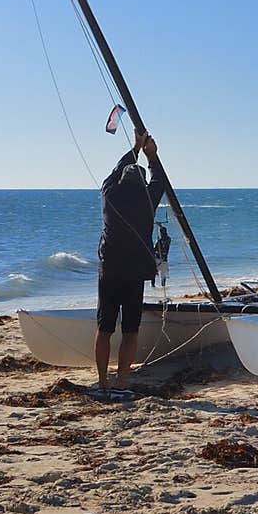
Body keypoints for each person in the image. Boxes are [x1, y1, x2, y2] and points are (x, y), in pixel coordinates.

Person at [94, 128, 164, 398]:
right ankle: (122, 384)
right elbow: (159, 179)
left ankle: (103, 384)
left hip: (109, 271)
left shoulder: (110, 194)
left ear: (122, 181)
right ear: (142, 185)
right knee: (130, 331)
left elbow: (114, 172)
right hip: (134, 273)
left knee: (105, 328)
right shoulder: (148, 200)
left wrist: (135, 149)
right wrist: (152, 155)